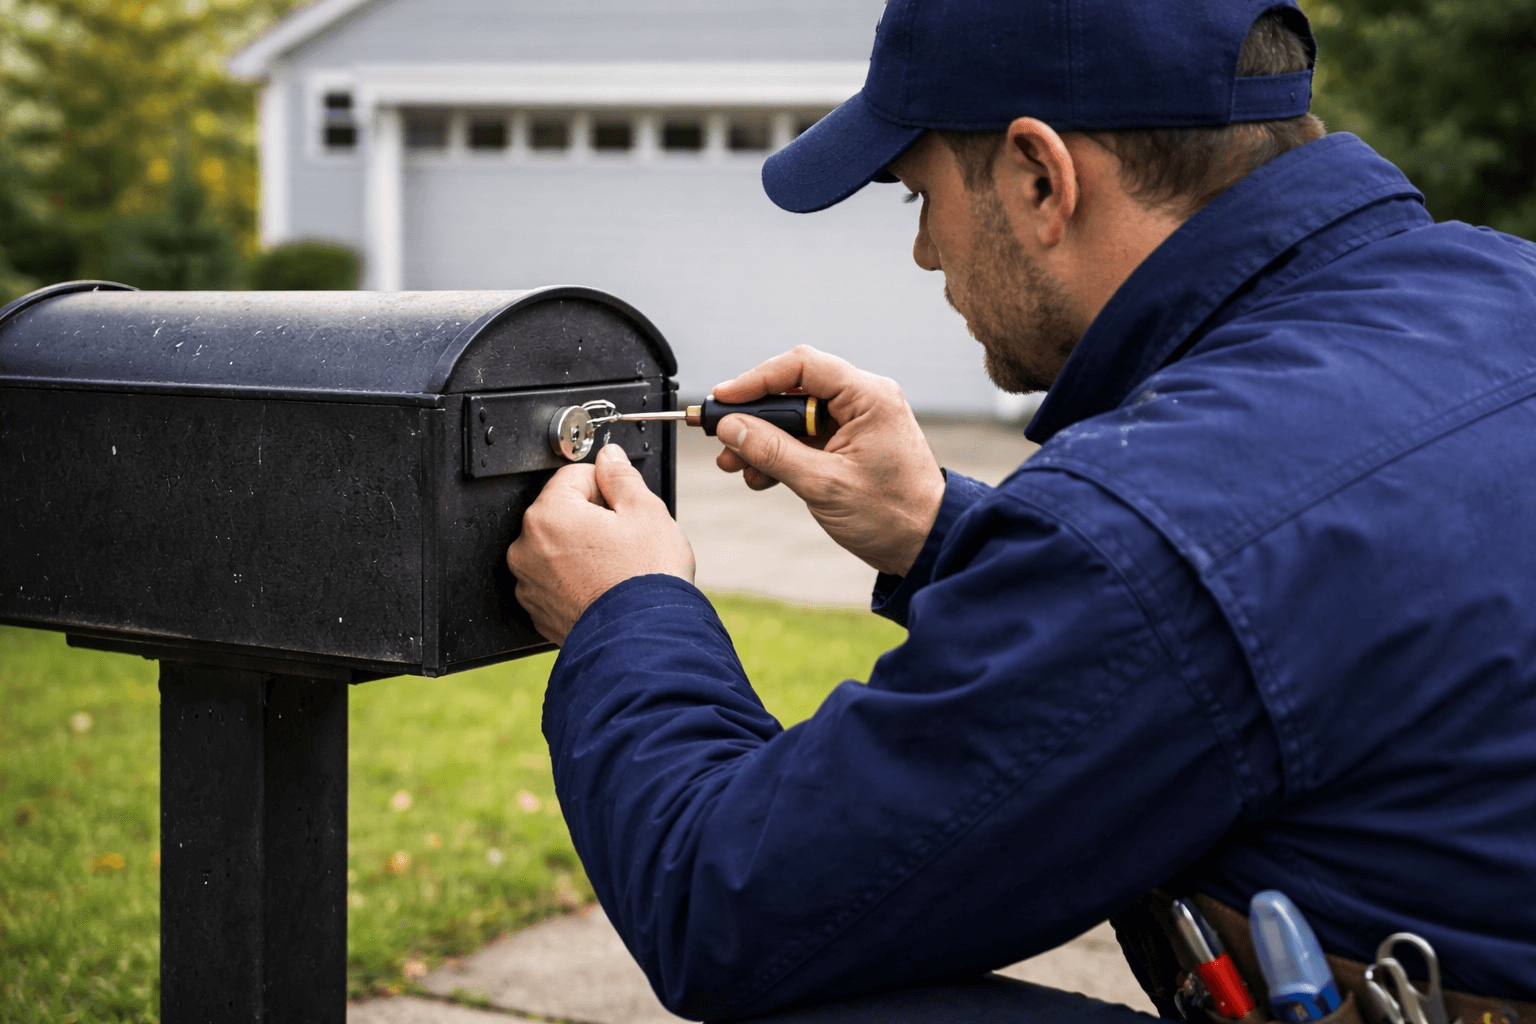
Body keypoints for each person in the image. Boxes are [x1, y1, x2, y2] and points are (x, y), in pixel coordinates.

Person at [506, 0, 1536, 1020]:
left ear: (1041, 178)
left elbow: (724, 902)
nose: (924, 256)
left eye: (918, 198)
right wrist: (937, 527)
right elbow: (1264, 593)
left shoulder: (1162, 519)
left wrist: (626, 613)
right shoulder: (1508, 288)